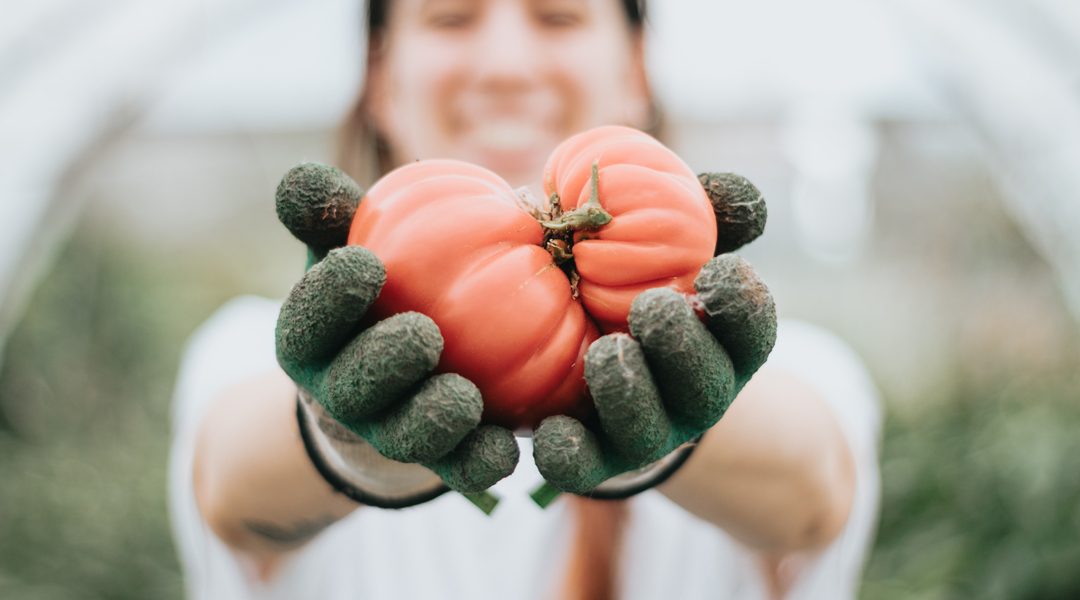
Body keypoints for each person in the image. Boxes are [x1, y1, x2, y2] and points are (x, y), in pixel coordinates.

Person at [168, 1, 882, 598]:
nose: (506, 67)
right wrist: (343, 447)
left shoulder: (805, 367)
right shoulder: (244, 350)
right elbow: (233, 495)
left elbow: (811, 501)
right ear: (381, 81)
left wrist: (679, 431)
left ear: (636, 70)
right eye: (451, 18)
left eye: (558, 17)